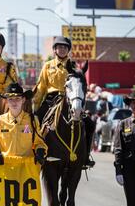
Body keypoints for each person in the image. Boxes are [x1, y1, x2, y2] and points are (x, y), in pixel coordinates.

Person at [33, 36, 95, 169]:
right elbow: (41, 87)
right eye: (59, 47)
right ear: (54, 50)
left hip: (70, 100)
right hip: (51, 99)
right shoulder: (48, 66)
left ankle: (85, 156)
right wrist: (35, 107)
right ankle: (36, 152)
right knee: (36, 122)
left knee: (89, 124)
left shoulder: (74, 67)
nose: (62, 49)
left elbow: (80, 86)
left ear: (68, 50)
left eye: (65, 47)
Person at [113, 90, 135, 206]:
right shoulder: (123, 124)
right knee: (132, 205)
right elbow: (118, 149)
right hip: (129, 171)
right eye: (133, 104)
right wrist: (118, 171)